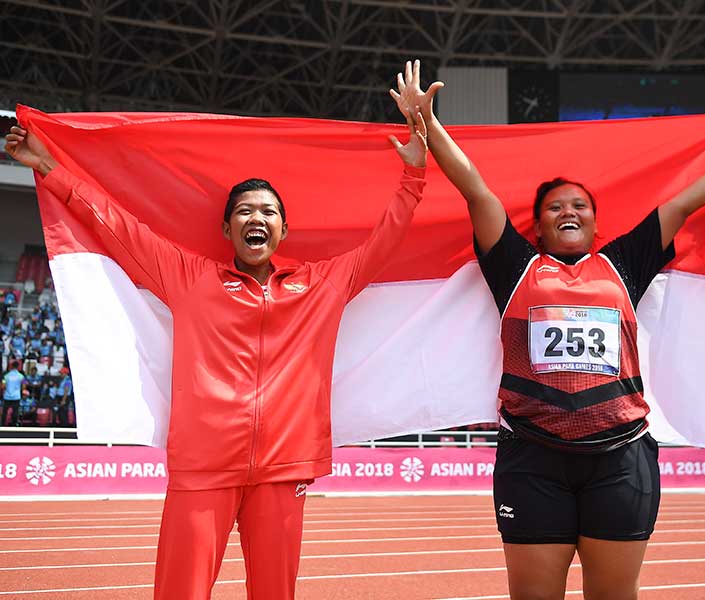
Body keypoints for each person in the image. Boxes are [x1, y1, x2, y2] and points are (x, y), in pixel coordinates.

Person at [391, 59, 705, 600]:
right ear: (539, 225)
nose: (568, 210)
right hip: (531, 457)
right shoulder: (515, 267)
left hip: (621, 457)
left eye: (579, 205)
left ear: (595, 222)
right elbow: (476, 190)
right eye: (555, 206)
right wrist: (429, 123)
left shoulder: (623, 264)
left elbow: (686, 200)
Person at [5, 103, 428, 599]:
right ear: (227, 230)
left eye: (268, 211)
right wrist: (48, 167)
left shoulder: (323, 284)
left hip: (283, 469)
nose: (257, 217)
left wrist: (414, 171)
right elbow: (112, 220)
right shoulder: (187, 276)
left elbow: (387, 237)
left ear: (283, 231)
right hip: (202, 468)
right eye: (245, 211)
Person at [2, 360, 27, 426]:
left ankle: (2, 425)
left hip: (7, 396)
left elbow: (3, 386)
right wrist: (20, 390)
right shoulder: (21, 376)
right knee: (15, 412)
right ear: (18, 367)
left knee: (5, 412)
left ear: (11, 366)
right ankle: (14, 425)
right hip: (16, 396)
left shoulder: (6, 376)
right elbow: (24, 385)